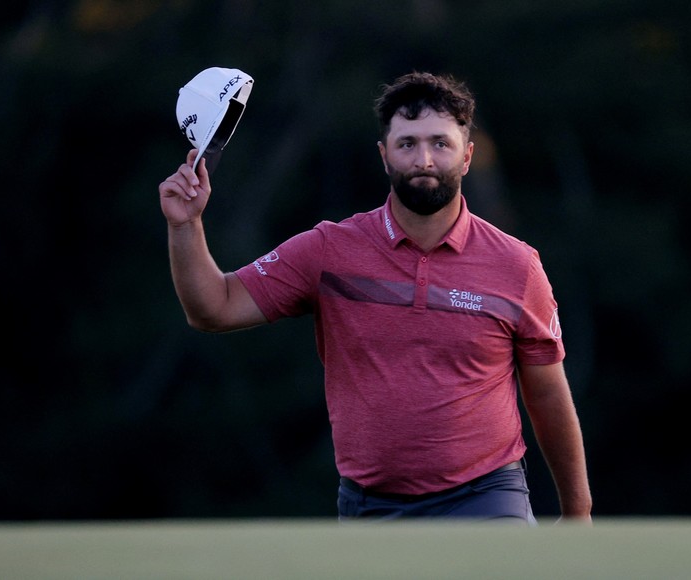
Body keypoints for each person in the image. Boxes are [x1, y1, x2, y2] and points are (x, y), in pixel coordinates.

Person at [158, 71, 592, 524]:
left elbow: (547, 395)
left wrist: (577, 512)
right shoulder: (329, 249)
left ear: (467, 157)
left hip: (487, 497)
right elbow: (214, 307)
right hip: (371, 505)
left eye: (440, 144)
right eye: (407, 144)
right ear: (385, 157)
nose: (424, 159)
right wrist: (184, 225)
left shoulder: (517, 266)